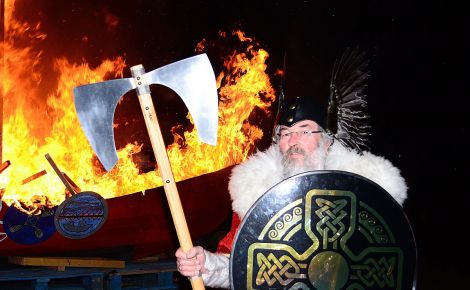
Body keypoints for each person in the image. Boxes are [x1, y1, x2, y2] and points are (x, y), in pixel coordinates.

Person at [175, 48, 408, 289]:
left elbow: (387, 260)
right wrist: (206, 265)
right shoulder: (258, 196)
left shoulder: (361, 195)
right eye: (285, 134)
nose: (292, 141)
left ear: (327, 140)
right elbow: (239, 264)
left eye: (305, 131)